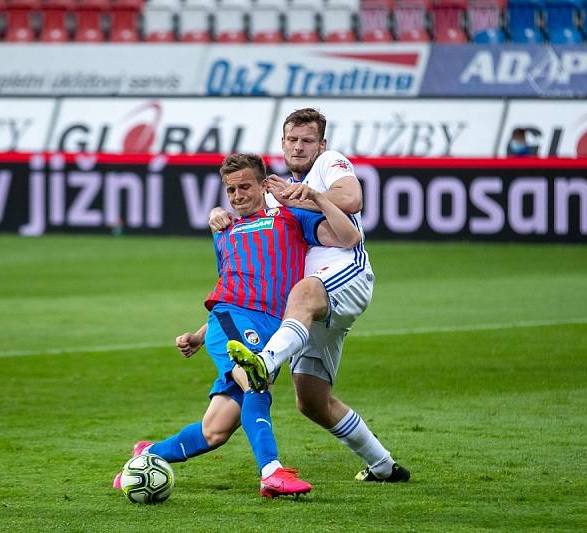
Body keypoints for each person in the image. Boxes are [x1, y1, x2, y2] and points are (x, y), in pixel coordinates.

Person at [113, 153, 361, 498]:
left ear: (263, 185)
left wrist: (315, 197)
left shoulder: (289, 217)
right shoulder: (224, 230)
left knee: (214, 431)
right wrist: (206, 333)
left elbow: (349, 238)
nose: (237, 196)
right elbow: (229, 294)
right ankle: (271, 472)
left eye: (245, 187)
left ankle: (146, 456)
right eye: (231, 190)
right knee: (255, 381)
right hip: (234, 322)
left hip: (270, 329)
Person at [210, 108, 410, 483]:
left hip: (343, 273)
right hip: (306, 309)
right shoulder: (276, 192)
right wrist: (217, 214)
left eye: (307, 140)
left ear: (322, 144)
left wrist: (310, 195)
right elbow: (246, 233)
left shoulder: (328, 165)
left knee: (302, 292)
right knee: (312, 401)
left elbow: (351, 199)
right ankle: (384, 466)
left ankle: (264, 364)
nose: (299, 147)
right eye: (292, 140)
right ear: (282, 143)